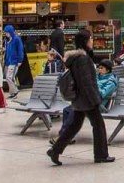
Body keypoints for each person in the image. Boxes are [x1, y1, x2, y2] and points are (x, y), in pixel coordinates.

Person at [47, 30, 116, 165]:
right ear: (85, 41)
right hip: (87, 99)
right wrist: (95, 100)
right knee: (98, 125)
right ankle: (101, 155)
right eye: (90, 38)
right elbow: (86, 82)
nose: (92, 41)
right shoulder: (83, 59)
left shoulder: (79, 58)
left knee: (74, 126)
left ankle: (55, 150)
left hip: (79, 98)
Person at [50, 59, 119, 147]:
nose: (99, 70)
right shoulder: (97, 76)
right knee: (67, 110)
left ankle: (63, 137)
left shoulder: (111, 82)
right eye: (99, 68)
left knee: (73, 111)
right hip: (88, 101)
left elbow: (103, 94)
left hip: (98, 105)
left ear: (108, 70)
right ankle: (66, 136)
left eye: (102, 68)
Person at [3, 25, 25, 98]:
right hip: (8, 62)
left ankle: (15, 91)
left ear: (10, 32)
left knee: (10, 77)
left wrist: (20, 60)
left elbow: (20, 50)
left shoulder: (16, 39)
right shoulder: (8, 40)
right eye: (5, 33)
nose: (6, 34)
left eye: (7, 32)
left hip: (14, 61)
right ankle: (12, 93)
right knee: (8, 77)